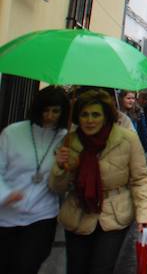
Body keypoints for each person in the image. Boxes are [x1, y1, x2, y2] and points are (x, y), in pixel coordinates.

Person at [49, 88, 147, 274]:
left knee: (101, 268)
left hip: (114, 214)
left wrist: (144, 215)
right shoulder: (70, 141)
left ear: (106, 116)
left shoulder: (127, 139)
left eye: (96, 114)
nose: (90, 120)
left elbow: (141, 179)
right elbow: (57, 187)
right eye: (84, 115)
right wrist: (61, 168)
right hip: (78, 212)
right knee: (76, 268)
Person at [0, 86, 69, 274]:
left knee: (27, 266)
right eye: (45, 110)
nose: (49, 116)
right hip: (6, 216)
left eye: (56, 111)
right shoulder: (12, 133)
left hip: (42, 216)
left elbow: (62, 185)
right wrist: (5, 194)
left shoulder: (65, 139)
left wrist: (62, 167)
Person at [117, 90, 147, 155]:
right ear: (121, 99)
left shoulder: (138, 112)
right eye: (128, 98)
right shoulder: (116, 113)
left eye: (133, 98)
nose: (131, 101)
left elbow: (143, 133)